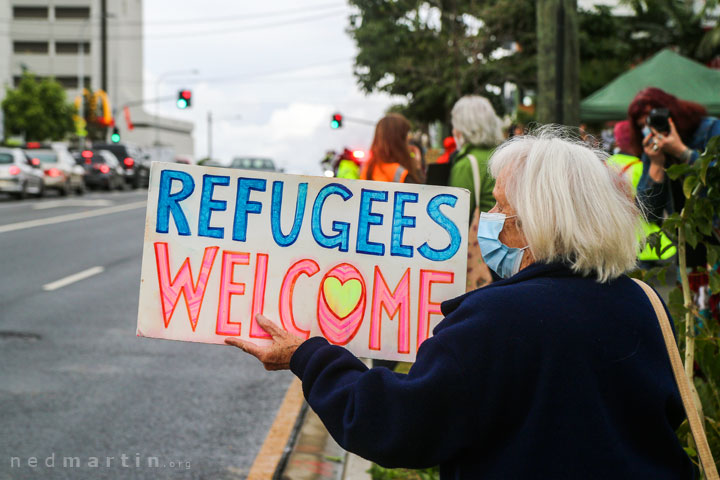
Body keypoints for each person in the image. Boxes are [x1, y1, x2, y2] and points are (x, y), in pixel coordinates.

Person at [226, 128, 693, 479]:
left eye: (497, 206)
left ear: (535, 222)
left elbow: (396, 424)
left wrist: (306, 356)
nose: (486, 221)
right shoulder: (645, 303)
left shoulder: (494, 318)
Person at [447, 95, 503, 220]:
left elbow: (454, 218)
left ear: (465, 128)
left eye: (455, 126)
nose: (453, 132)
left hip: (479, 237)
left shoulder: (466, 164)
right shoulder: (504, 156)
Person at [360, 114, 425, 184]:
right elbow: (422, 191)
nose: (409, 139)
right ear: (399, 140)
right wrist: (417, 167)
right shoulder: (400, 172)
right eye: (406, 135)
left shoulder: (366, 168)